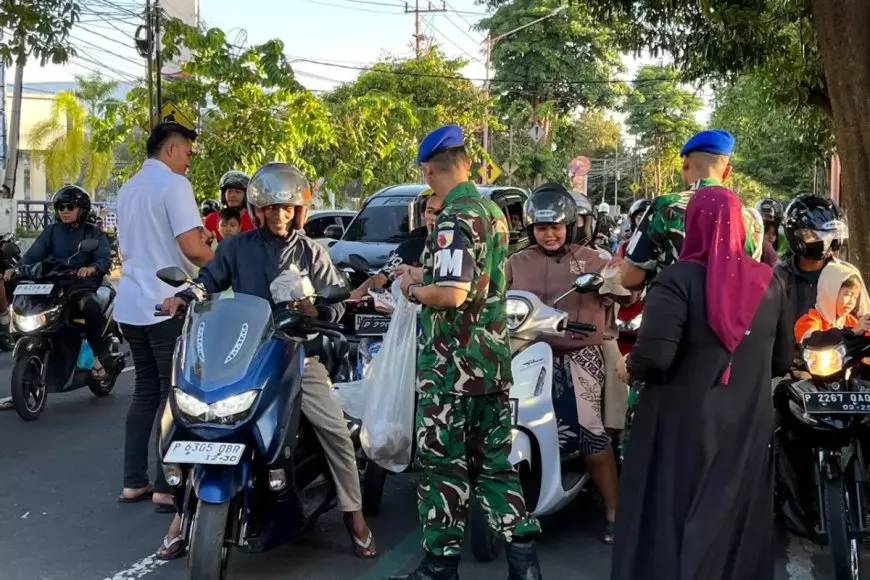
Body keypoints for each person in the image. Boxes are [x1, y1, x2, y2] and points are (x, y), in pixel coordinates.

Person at [157, 162, 378, 561]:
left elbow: (336, 302)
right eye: (271, 208)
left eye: (287, 208)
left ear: (299, 211)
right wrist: (184, 297)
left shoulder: (312, 253)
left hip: (297, 355)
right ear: (257, 211)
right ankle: (180, 516)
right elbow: (206, 284)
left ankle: (354, 516)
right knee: (182, 413)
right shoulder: (234, 248)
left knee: (334, 429)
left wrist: (314, 310)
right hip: (244, 355)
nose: (279, 215)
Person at [612, 186, 792, 580]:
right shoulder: (770, 282)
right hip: (746, 424)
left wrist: (629, 365)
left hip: (681, 424)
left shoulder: (677, 280)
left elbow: (654, 358)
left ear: (693, 225)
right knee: (735, 516)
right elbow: (781, 360)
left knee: (671, 514)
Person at [390, 125, 542, 580]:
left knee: (443, 467)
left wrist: (413, 289)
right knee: (495, 466)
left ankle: (440, 565)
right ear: (466, 163)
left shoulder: (453, 217)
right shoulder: (492, 212)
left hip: (450, 369)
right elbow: (477, 278)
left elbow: (452, 294)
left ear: (428, 170)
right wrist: (426, 275)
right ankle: (525, 563)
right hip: (489, 365)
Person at [507, 183, 625, 543]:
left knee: (590, 432)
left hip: (578, 353)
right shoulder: (516, 262)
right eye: (542, 228)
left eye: (556, 227)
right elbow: (494, 299)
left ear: (570, 225)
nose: (549, 234)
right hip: (525, 353)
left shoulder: (593, 260)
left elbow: (624, 292)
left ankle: (615, 511)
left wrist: (615, 278)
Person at [115, 122, 214, 514]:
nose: (189, 162)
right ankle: (164, 485)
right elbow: (192, 248)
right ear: (171, 150)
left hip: (130, 303)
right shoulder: (174, 185)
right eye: (187, 153)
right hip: (166, 303)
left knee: (144, 390)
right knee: (171, 395)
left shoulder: (128, 187)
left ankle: (132, 481)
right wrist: (224, 265)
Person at [621, 129, 764, 291]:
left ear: (686, 164)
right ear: (727, 171)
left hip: (671, 305)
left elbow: (629, 279)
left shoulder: (666, 206)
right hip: (729, 307)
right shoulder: (750, 219)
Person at [7, 185, 111, 377]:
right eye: (60, 207)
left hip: (80, 286)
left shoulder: (93, 233)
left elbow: (103, 258)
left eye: (70, 207)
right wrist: (16, 269)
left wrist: (92, 268)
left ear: (82, 209)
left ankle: (99, 355)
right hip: (53, 285)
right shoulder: (52, 231)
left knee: (90, 306)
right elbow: (33, 255)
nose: (64, 211)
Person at [773, 194, 848, 355]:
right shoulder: (778, 277)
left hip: (837, 360)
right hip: (788, 365)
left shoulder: (846, 276)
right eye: (812, 234)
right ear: (794, 235)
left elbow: (864, 321)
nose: (822, 240)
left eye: (827, 233)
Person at [349, 188, 443, 300]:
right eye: (430, 211)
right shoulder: (409, 247)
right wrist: (359, 292)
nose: (434, 217)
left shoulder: (457, 248)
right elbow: (383, 276)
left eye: (439, 212)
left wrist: (412, 272)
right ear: (423, 214)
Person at [793, 262, 870, 343]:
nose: (851, 302)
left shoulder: (850, 321)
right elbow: (812, 340)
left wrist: (864, 329)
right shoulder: (809, 320)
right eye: (847, 294)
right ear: (830, 292)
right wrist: (852, 332)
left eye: (855, 297)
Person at [203, 170, 254, 241]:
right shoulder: (212, 219)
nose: (232, 195)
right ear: (223, 195)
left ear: (246, 195)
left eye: (237, 192)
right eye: (229, 191)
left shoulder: (254, 219)